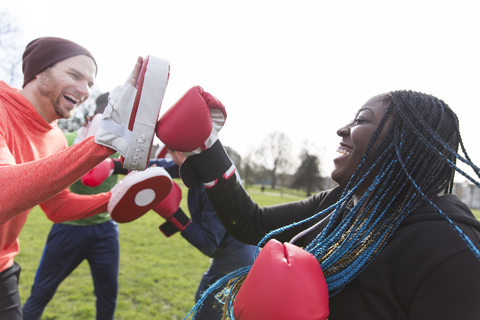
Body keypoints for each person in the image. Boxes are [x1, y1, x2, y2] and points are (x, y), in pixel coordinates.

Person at [157, 86, 480, 319]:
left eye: (361, 121)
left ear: (402, 144)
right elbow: (252, 224)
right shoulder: (343, 203)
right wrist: (206, 144)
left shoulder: (452, 252)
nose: (343, 130)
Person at [0, 36, 169, 319]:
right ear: (39, 71)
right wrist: (101, 144)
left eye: (89, 83)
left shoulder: (56, 139)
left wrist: (116, 197)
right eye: (74, 75)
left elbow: (57, 207)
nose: (84, 90)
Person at [22, 93, 121, 320]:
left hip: (105, 230)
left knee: (108, 295)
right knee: (41, 292)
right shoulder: (68, 140)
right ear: (98, 115)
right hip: (68, 227)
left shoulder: (119, 148)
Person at [150, 149, 257, 320]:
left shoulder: (212, 186)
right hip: (239, 252)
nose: (171, 159)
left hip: (236, 258)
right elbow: (167, 167)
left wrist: (173, 214)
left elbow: (209, 243)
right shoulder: (200, 161)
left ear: (178, 152)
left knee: (206, 311)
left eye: (171, 153)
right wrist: (115, 166)